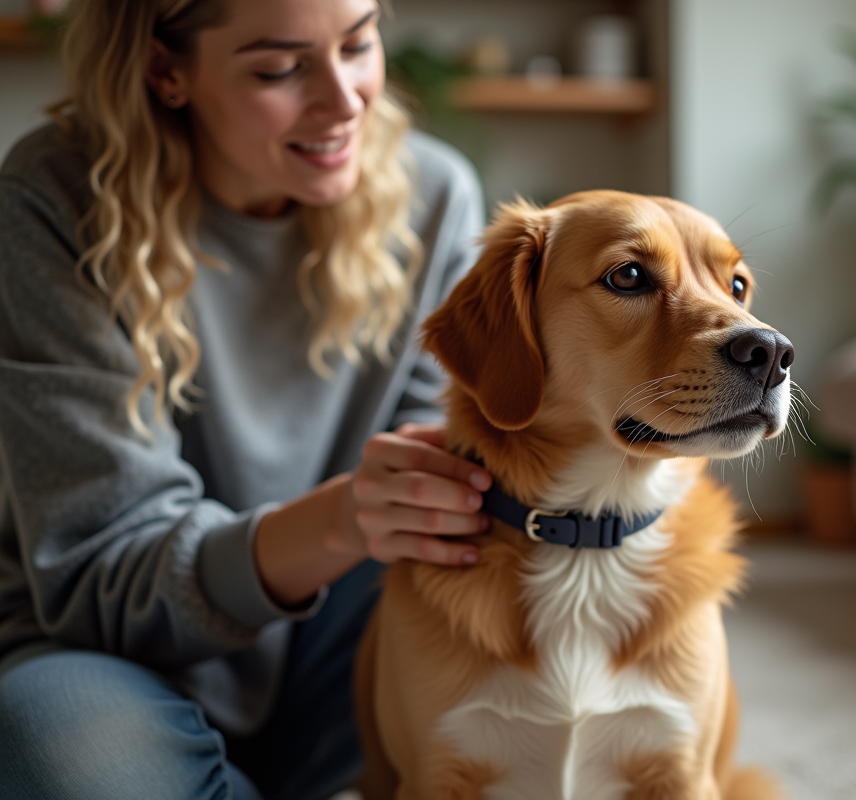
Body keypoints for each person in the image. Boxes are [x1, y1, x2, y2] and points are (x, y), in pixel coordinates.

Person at [0, 0, 491, 797]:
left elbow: (454, 501)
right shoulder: (54, 201)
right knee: (63, 759)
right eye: (280, 68)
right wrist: (342, 517)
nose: (346, 100)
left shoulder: (435, 195)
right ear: (167, 70)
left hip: (339, 648)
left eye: (359, 43)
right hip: (108, 656)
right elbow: (95, 573)